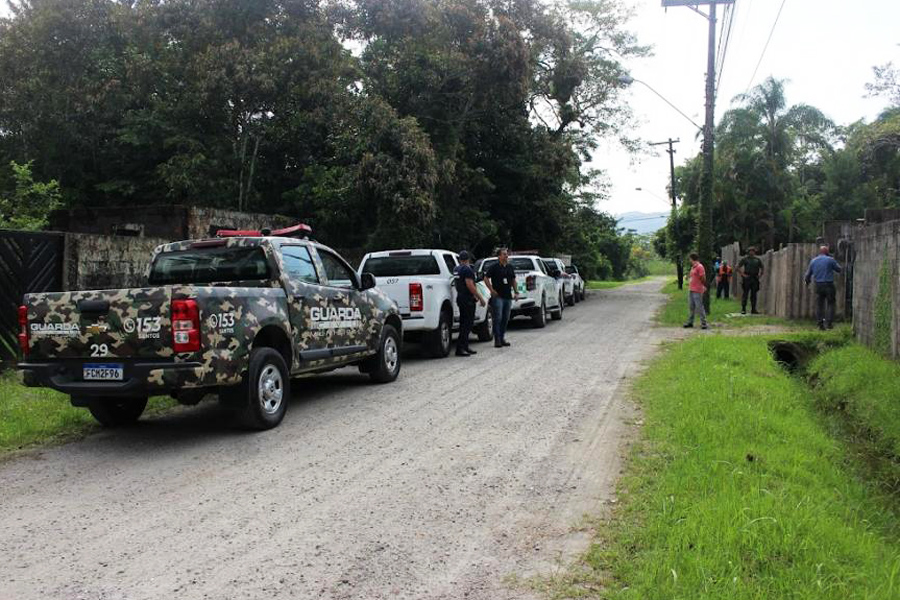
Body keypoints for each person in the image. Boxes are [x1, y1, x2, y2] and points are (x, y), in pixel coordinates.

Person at [453, 251, 486, 356]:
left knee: (464, 323)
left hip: (460, 297)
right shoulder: (467, 270)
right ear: (468, 259)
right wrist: (480, 297)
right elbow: (470, 285)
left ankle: (465, 346)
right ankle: (460, 348)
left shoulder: (456, 269)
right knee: (467, 324)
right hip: (467, 299)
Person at [484, 248, 519, 348]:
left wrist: (516, 292)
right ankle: (497, 339)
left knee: (505, 318)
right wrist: (491, 289)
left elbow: (513, 280)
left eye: (506, 254)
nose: (506, 256)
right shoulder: (494, 267)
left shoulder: (509, 267)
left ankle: (502, 337)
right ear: (499, 256)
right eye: (504, 254)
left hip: (508, 296)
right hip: (498, 296)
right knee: (498, 318)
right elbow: (486, 278)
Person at [804, 245, 842, 330]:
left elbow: (808, 275)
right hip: (828, 284)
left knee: (819, 304)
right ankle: (829, 323)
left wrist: (807, 282)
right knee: (831, 303)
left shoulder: (813, 261)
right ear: (827, 252)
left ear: (820, 252)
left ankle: (820, 324)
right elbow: (839, 269)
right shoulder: (830, 260)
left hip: (818, 285)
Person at [683, 253, 709, 330]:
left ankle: (704, 323)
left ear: (692, 258)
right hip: (691, 289)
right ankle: (690, 322)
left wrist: (703, 285)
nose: (689, 260)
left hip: (697, 289)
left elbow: (703, 277)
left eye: (690, 259)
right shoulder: (693, 267)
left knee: (699, 306)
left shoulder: (700, 267)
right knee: (691, 306)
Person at [738, 247, 765, 314]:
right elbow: (737, 267)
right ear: (748, 252)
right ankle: (743, 309)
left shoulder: (757, 260)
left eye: (753, 251)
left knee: (754, 295)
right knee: (745, 294)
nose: (751, 252)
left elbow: (762, 267)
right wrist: (743, 275)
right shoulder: (745, 259)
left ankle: (753, 309)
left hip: (754, 278)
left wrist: (760, 275)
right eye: (750, 251)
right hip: (747, 278)